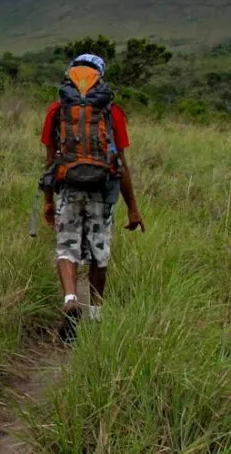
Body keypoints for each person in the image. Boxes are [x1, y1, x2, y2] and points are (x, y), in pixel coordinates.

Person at [40, 53, 145, 343]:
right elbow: (121, 163)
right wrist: (133, 209)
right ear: (100, 77)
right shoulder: (112, 112)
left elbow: (50, 161)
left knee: (67, 248)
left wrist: (47, 200)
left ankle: (71, 299)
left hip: (68, 188)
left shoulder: (57, 110)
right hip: (103, 189)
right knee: (100, 254)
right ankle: (96, 317)